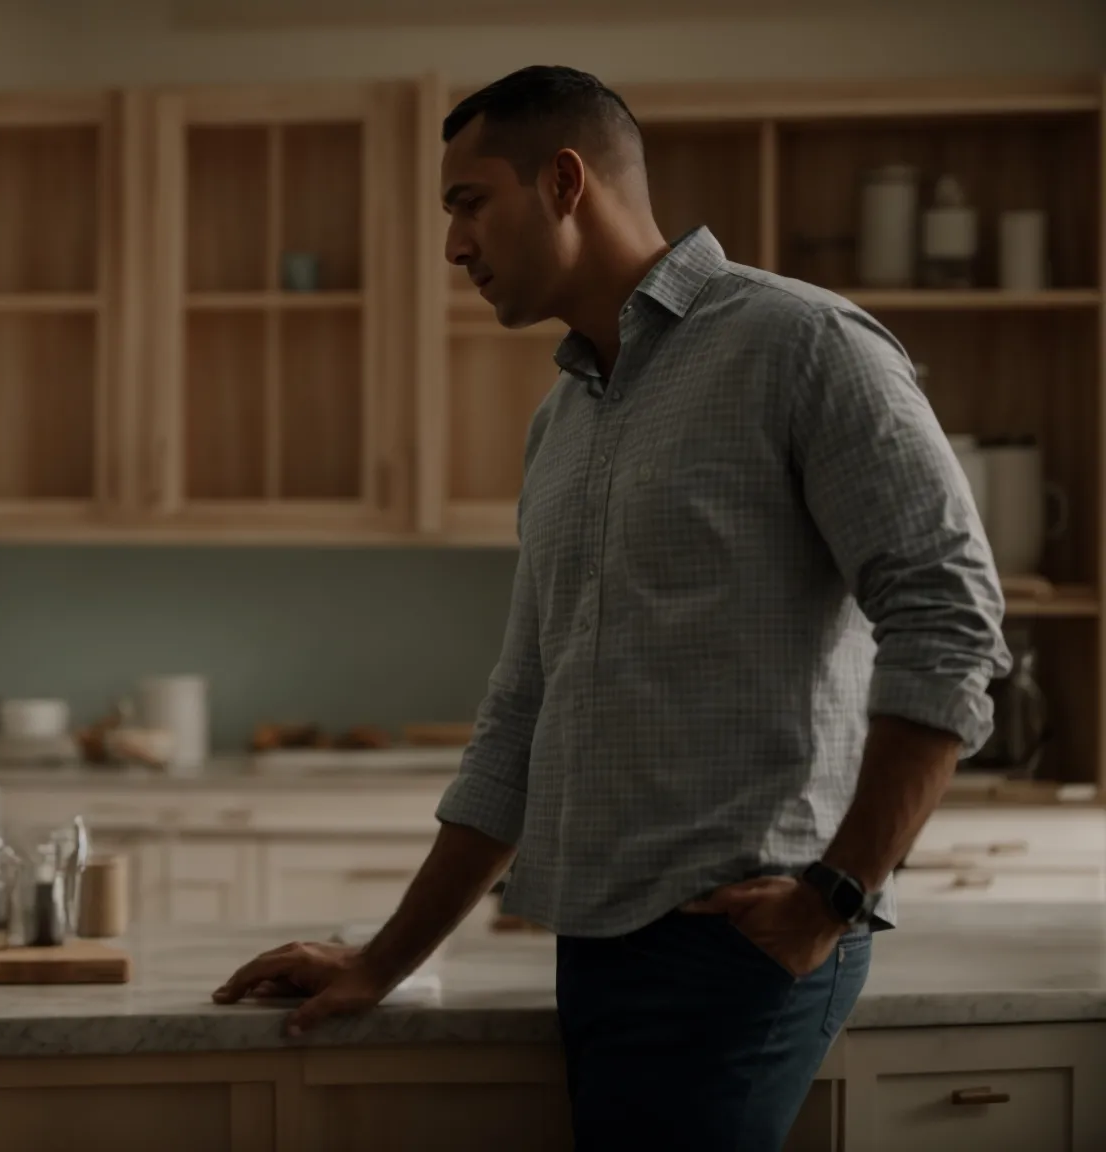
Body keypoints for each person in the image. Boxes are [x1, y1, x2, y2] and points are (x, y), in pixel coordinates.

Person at [212, 66, 1009, 1151]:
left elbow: (948, 617)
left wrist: (833, 898)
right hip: (592, 944)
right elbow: (520, 718)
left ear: (563, 180)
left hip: (740, 941)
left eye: (466, 202)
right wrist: (382, 959)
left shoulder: (801, 345)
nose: (451, 246)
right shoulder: (563, 423)